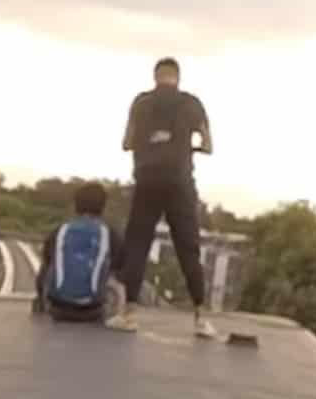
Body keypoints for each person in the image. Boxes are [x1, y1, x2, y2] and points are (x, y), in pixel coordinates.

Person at [105, 57, 218, 338]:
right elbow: (208, 144)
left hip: (147, 180)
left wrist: (151, 141)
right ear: (177, 77)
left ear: (156, 76)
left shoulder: (141, 103)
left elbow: (127, 142)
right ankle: (201, 318)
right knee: (188, 246)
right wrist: (186, 146)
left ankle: (129, 313)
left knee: (138, 244)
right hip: (179, 181)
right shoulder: (192, 103)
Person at [33, 182, 126, 322]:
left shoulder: (60, 231)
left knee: (47, 265)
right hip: (94, 310)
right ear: (103, 207)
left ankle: (42, 306)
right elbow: (120, 267)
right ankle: (119, 316)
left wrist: (41, 299)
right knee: (116, 278)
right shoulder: (109, 233)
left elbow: (45, 270)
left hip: (58, 309)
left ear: (76, 205)